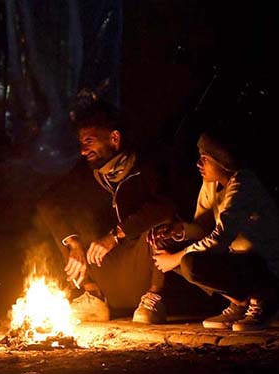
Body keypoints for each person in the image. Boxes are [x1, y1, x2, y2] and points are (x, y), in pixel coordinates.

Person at [36, 101, 177, 323]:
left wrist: (115, 235)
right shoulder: (85, 172)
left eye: (89, 141)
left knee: (161, 223)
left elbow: (165, 206)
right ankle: (94, 297)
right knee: (69, 225)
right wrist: (73, 244)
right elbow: (48, 202)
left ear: (114, 138)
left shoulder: (146, 165)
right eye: (81, 143)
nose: (83, 150)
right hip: (107, 270)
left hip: (144, 267)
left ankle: (154, 297)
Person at [149, 128, 279, 331]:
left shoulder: (244, 184)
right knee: (169, 246)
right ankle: (240, 302)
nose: (198, 164)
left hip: (266, 267)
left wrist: (176, 258)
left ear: (223, 161)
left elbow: (219, 239)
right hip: (239, 260)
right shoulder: (211, 184)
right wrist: (178, 231)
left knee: (190, 263)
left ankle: (267, 298)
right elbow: (202, 228)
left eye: (205, 159)